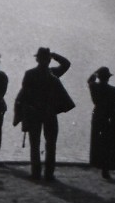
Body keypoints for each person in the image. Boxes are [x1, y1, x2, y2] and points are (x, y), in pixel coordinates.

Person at [14, 47, 73, 181]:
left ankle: (36, 173)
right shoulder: (52, 72)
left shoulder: (30, 74)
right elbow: (66, 64)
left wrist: (19, 115)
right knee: (50, 144)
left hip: (34, 113)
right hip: (49, 113)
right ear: (47, 59)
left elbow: (23, 95)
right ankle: (49, 174)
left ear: (37, 59)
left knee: (35, 144)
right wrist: (54, 55)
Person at [88, 67, 115, 182]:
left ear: (99, 77)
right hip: (113, 118)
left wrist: (95, 72)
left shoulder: (94, 87)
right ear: (108, 78)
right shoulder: (114, 90)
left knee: (102, 144)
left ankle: (105, 170)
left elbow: (90, 80)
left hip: (99, 118)